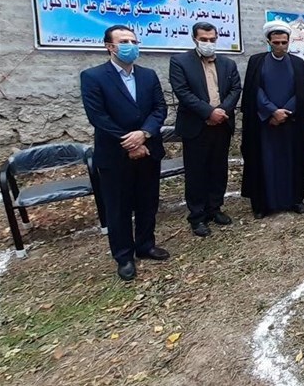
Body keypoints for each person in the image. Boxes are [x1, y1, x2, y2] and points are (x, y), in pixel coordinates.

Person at [80, 25, 168, 281]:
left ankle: (145, 245)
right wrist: (130, 142)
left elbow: (160, 108)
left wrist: (145, 134)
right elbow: (98, 116)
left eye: (134, 41)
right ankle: (124, 256)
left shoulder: (148, 75)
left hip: (148, 149)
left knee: (147, 201)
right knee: (118, 208)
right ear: (110, 47)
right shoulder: (93, 77)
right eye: (124, 41)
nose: (131, 45)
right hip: (115, 154)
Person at [169, 22, 242, 237]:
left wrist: (221, 111)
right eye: (204, 39)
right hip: (196, 126)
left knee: (218, 169)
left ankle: (215, 208)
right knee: (196, 172)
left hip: (222, 124)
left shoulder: (228, 63)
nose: (208, 43)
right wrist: (209, 113)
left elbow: (235, 89)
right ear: (194, 39)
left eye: (212, 39)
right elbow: (182, 92)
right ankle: (197, 216)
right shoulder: (180, 62)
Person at [241, 21, 304, 218]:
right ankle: (263, 205)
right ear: (268, 42)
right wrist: (272, 112)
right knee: (265, 161)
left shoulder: (298, 63)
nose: (281, 46)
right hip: (265, 123)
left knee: (292, 161)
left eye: (284, 42)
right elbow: (254, 90)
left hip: (292, 123)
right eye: (276, 42)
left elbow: (302, 93)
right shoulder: (256, 62)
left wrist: (285, 112)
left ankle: (294, 200)